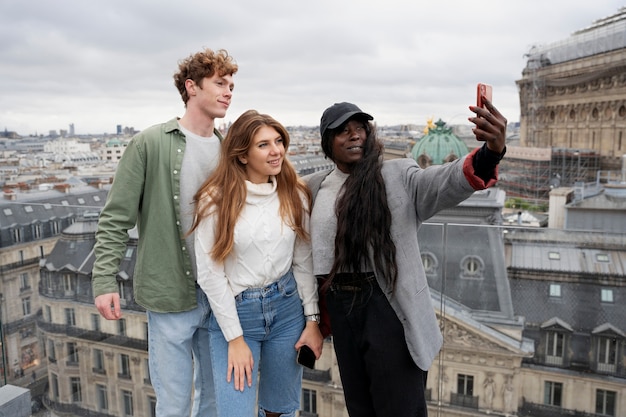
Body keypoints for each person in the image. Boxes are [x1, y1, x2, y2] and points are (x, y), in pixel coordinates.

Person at [305, 99, 507, 417]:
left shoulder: (397, 175)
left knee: (399, 408)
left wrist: (490, 152)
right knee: (361, 407)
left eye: (360, 127)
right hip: (341, 311)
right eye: (343, 131)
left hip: (386, 307)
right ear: (327, 143)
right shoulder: (314, 187)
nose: (355, 134)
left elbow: (445, 182)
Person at [91, 48, 238, 417]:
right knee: (174, 404)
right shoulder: (150, 142)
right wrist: (104, 280)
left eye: (232, 85)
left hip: (220, 292)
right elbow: (115, 218)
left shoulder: (228, 150)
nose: (228, 91)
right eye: (220, 83)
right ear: (191, 87)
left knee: (214, 401)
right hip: (170, 291)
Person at [190, 110, 323, 417]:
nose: (276, 150)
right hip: (237, 315)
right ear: (242, 155)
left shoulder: (295, 194)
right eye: (263, 145)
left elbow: (303, 262)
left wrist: (313, 321)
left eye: (279, 141)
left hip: (287, 311)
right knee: (234, 411)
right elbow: (211, 275)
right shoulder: (215, 200)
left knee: (280, 410)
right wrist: (235, 339)